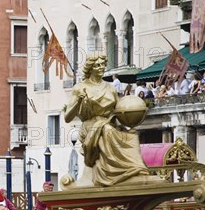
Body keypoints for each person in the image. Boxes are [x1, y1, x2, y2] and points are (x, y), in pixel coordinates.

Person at [64, 55, 149, 187]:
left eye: (103, 65)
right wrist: (78, 102)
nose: (101, 68)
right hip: (91, 125)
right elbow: (67, 117)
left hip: (109, 123)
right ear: (90, 68)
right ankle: (114, 173)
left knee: (131, 135)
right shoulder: (80, 88)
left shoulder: (110, 88)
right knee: (107, 130)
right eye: (97, 65)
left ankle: (135, 169)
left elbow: (117, 109)